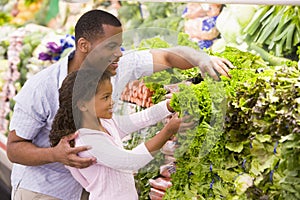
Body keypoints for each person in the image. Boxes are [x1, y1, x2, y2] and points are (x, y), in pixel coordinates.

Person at [7, 9, 234, 200]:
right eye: (110, 46)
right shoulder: (40, 87)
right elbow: (15, 148)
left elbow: (167, 57)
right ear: (84, 45)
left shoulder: (115, 68)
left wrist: (201, 58)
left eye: (120, 45)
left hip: (90, 188)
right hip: (44, 190)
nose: (119, 53)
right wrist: (55, 155)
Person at [49, 68, 187, 200]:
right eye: (105, 97)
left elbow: (143, 118)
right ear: (83, 105)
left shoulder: (105, 123)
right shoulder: (87, 142)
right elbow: (130, 161)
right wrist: (168, 131)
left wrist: (169, 105)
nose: (112, 102)